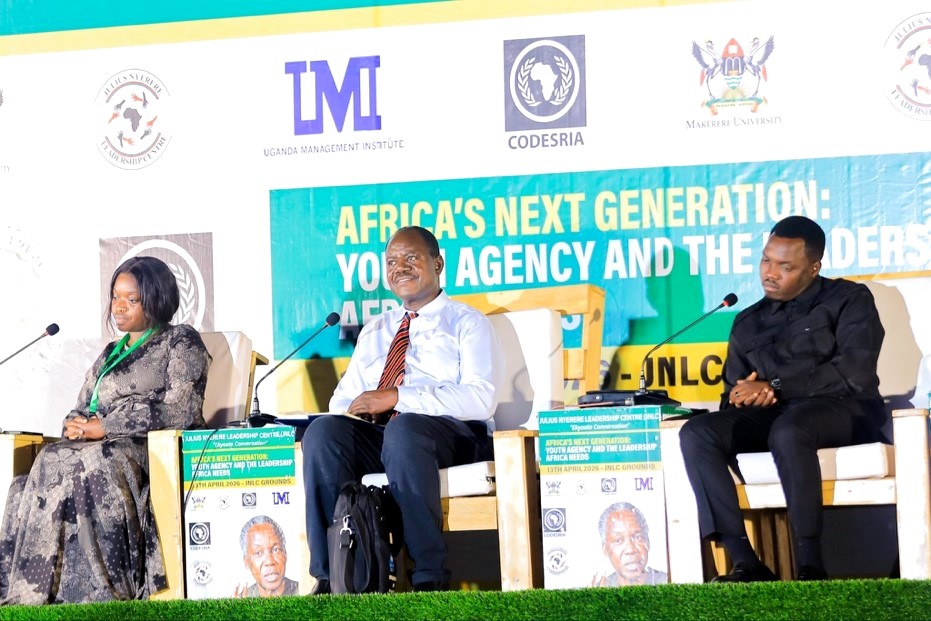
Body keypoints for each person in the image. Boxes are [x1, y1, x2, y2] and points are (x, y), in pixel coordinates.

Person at [679, 215, 885, 582]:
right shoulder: (747, 321)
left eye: (785, 266)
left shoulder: (849, 299)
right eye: (766, 260)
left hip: (844, 411)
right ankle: (744, 560)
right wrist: (746, 397)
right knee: (697, 433)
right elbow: (733, 393)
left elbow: (855, 373)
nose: (769, 273)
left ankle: (810, 565)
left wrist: (775, 385)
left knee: (789, 431)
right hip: (778, 415)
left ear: (814, 267)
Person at [302, 225, 502, 593]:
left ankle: (428, 577)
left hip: (451, 439)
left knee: (405, 429)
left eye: (412, 258)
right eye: (392, 261)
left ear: (438, 263)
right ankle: (333, 574)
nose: (401, 267)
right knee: (324, 432)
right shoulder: (377, 329)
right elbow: (340, 400)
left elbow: (481, 399)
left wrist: (398, 397)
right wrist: (363, 410)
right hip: (388, 438)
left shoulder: (467, 322)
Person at [0, 256, 211, 604]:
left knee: (92, 461)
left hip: (149, 448)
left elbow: (182, 409)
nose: (119, 307)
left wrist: (106, 427)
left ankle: (103, 589)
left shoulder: (180, 341)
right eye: (116, 297)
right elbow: (83, 402)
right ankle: (35, 590)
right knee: (44, 465)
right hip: (99, 444)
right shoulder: (111, 352)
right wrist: (75, 424)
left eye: (132, 299)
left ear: (156, 298)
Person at [592, 501, 668, 586]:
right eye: (618, 540)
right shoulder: (599, 591)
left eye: (637, 537)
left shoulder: (669, 583)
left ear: (647, 542)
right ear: (605, 549)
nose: (630, 549)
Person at [234, 515, 299, 597]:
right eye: (258, 553)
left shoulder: (306, 592)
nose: (269, 561)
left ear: (285, 554)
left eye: (276, 550)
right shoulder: (241, 603)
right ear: (246, 561)